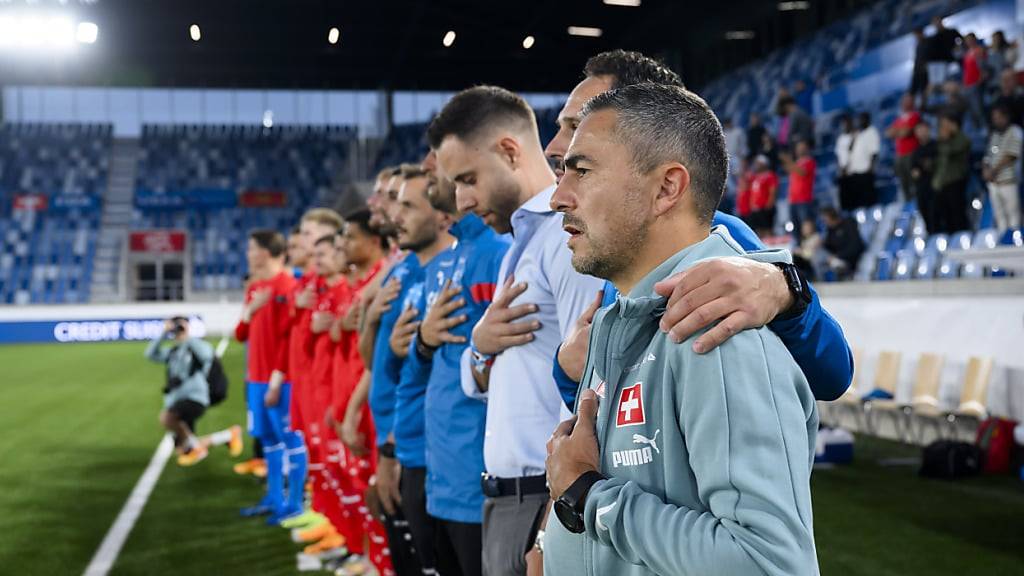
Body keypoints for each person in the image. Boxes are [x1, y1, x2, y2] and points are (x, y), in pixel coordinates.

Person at [540, 49, 852, 571]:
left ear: (667, 185)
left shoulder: (718, 298)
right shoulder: (621, 289)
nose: (557, 187)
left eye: (581, 158)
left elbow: (767, 559)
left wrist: (785, 289)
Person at [427, 85, 607, 576]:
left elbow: (594, 388)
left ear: (509, 151)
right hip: (508, 496)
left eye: (467, 179)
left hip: (541, 499)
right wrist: (480, 350)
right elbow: (484, 376)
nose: (461, 200)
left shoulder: (566, 236)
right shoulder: (519, 241)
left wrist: (552, 528)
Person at [407, 174, 510, 576]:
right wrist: (421, 341)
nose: (431, 166)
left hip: (474, 474)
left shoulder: (497, 253)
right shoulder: (447, 261)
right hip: (441, 466)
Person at [374, 165, 456, 574]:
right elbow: (389, 366)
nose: (394, 215)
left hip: (434, 456)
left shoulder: (449, 275)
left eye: (406, 204)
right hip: (406, 444)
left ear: (442, 214)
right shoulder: (406, 273)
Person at [280, 208, 345, 534]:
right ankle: (327, 517)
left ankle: (336, 524)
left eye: (308, 234)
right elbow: (293, 336)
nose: (301, 241)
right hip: (306, 381)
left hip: (325, 385)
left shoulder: (335, 286)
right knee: (318, 453)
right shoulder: (307, 285)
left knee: (334, 457)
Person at [235, 230, 305, 524]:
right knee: (268, 441)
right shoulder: (256, 288)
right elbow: (240, 335)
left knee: (290, 440)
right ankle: (274, 498)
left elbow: (290, 340)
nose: (248, 253)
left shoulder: (287, 286)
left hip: (281, 380)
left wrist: (277, 380)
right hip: (256, 380)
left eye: (252, 248)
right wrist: (250, 310)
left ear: (265, 252)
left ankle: (295, 503)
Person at [144, 316, 242, 466]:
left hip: (195, 397)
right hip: (177, 399)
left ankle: (199, 447)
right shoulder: (172, 351)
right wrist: (163, 333)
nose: (178, 331)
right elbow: (150, 354)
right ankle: (228, 435)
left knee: (167, 418)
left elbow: (208, 355)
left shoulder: (195, 346)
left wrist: (187, 336)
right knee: (183, 448)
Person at [983, 104, 1023, 230]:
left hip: (1009, 181)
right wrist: (985, 169)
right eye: (994, 118)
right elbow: (988, 155)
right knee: (999, 216)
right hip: (994, 182)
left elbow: (1011, 155)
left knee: (1013, 216)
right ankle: (1003, 244)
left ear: (1007, 117)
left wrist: (993, 170)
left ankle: (1016, 243)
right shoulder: (995, 134)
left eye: (999, 117)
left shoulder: (1015, 132)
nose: (997, 121)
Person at [933, 113, 971, 234]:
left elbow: (951, 151)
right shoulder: (941, 141)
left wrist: (946, 139)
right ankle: (951, 239)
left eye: (945, 124)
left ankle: (963, 236)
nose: (942, 127)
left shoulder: (962, 139)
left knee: (958, 212)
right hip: (943, 183)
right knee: (946, 215)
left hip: (956, 180)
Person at [886, 93, 922, 201]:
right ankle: (908, 203)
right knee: (904, 183)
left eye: (909, 101)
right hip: (900, 155)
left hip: (912, 154)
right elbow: (888, 133)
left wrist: (897, 131)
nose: (906, 103)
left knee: (913, 182)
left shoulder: (915, 116)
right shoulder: (900, 119)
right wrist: (899, 131)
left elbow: (905, 133)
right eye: (904, 101)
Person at [780, 140, 816, 241]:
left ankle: (810, 247)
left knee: (807, 226)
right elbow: (787, 169)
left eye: (802, 147)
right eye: (798, 147)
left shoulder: (809, 161)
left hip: (804, 199)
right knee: (796, 228)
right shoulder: (796, 163)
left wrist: (788, 160)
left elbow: (802, 172)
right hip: (793, 200)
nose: (800, 149)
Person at [846, 112, 880, 210]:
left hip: (867, 170)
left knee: (869, 198)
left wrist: (871, 167)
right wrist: (853, 137)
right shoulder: (858, 134)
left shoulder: (872, 131)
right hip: (856, 171)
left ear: (867, 120)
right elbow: (849, 149)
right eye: (859, 119)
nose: (860, 122)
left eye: (862, 119)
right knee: (859, 199)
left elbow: (874, 152)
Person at [910, 122, 940, 233]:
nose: (921, 133)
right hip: (922, 188)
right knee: (925, 213)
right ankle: (931, 235)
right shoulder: (916, 151)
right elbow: (914, 171)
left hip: (935, 187)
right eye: (918, 131)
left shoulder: (937, 146)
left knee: (936, 214)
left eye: (923, 130)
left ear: (928, 130)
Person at [822, 207, 865, 280]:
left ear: (831, 217)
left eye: (825, 220)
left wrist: (838, 256)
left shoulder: (848, 224)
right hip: (837, 258)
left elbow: (855, 247)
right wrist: (822, 242)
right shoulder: (830, 230)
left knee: (833, 263)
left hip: (851, 259)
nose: (824, 222)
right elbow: (829, 246)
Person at [926, 16, 961, 92]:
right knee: (951, 85)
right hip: (946, 64)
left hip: (958, 59)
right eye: (935, 22)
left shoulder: (952, 31)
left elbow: (961, 40)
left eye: (938, 21)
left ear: (941, 21)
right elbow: (934, 54)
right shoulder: (934, 39)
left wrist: (958, 46)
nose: (937, 24)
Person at [748, 154, 778, 238]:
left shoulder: (770, 175)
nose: (756, 165)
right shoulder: (755, 177)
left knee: (767, 229)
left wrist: (770, 204)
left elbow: (773, 190)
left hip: (765, 208)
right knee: (758, 230)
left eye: (758, 163)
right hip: (756, 209)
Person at [961, 33, 987, 131]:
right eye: (967, 40)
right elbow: (966, 70)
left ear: (974, 39)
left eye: (970, 39)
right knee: (971, 110)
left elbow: (982, 68)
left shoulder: (979, 50)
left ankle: (984, 128)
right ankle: (977, 129)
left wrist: (979, 82)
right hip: (967, 85)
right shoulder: (967, 53)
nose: (969, 41)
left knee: (978, 108)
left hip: (976, 84)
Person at [835, 113, 855, 209]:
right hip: (843, 172)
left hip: (854, 171)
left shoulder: (856, 136)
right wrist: (841, 169)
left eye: (847, 123)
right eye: (843, 124)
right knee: (845, 200)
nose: (845, 126)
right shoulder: (840, 139)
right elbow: (839, 156)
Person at [910, 28, 930, 110]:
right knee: (913, 91)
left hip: (925, 72)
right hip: (917, 72)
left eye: (917, 34)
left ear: (921, 33)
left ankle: (924, 106)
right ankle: (913, 107)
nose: (917, 37)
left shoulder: (928, 42)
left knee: (924, 91)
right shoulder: (918, 45)